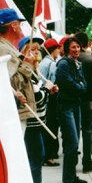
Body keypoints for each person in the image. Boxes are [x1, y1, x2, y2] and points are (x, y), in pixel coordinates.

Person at [18, 36, 59, 183]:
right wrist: (47, 91)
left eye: (37, 50)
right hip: (31, 121)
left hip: (38, 121)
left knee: (37, 155)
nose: (36, 53)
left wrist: (48, 89)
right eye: (32, 50)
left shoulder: (35, 71)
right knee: (35, 156)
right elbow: (35, 97)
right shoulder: (24, 70)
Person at [0, 8, 35, 135]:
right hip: (15, 110)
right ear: (14, 25)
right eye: (19, 24)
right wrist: (27, 65)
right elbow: (11, 83)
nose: (21, 28)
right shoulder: (3, 50)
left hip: (17, 109)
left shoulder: (6, 47)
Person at [55, 37, 88, 183]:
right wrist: (80, 86)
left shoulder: (77, 63)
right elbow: (67, 83)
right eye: (73, 47)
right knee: (72, 143)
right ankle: (67, 180)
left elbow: (83, 82)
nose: (76, 50)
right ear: (67, 48)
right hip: (65, 106)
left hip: (76, 105)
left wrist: (80, 86)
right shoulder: (63, 64)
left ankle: (72, 175)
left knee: (75, 142)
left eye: (78, 47)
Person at [75, 31, 92, 173]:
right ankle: (87, 161)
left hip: (74, 101)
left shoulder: (70, 59)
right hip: (90, 100)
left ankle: (72, 162)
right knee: (88, 132)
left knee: (73, 134)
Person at [39, 38, 61, 167]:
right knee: (51, 127)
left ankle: (45, 154)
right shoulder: (52, 64)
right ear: (54, 49)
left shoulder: (42, 62)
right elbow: (53, 81)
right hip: (50, 97)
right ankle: (49, 156)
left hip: (42, 96)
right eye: (58, 48)